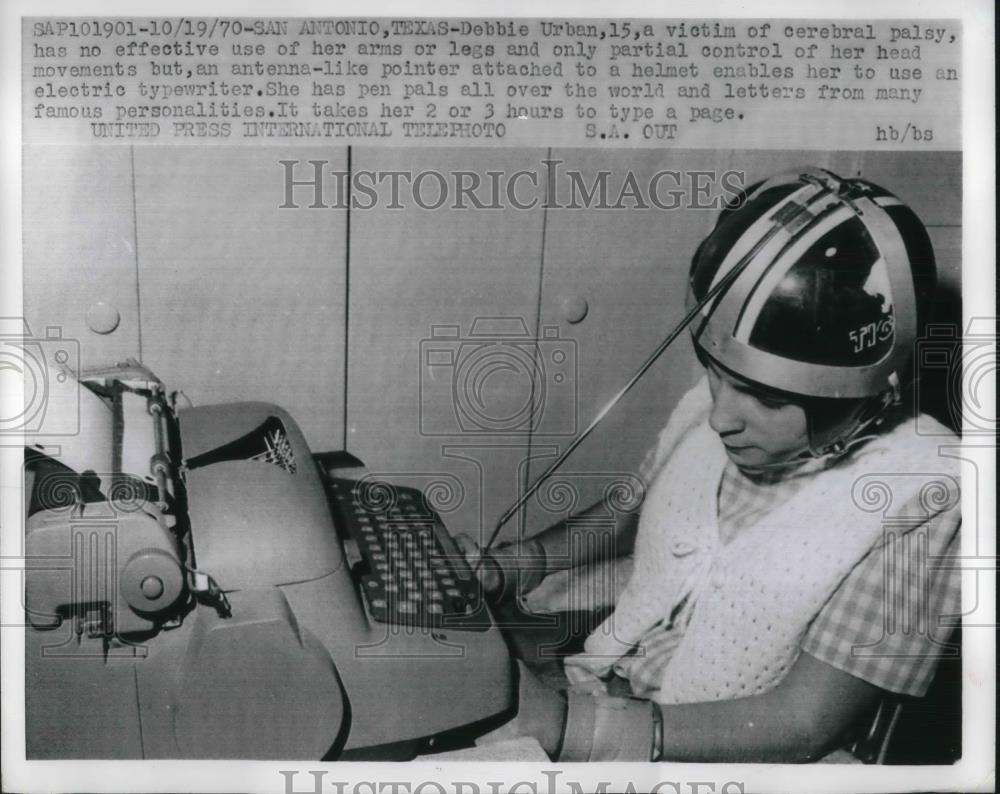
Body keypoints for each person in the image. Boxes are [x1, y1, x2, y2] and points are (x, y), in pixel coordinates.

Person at [457, 168, 962, 763]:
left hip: (739, 755)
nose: (722, 417)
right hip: (606, 686)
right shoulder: (714, 404)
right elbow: (626, 512)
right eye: (717, 376)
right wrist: (511, 565)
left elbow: (805, 725)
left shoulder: (926, 492)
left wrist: (580, 730)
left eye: (768, 401)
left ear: (862, 399)